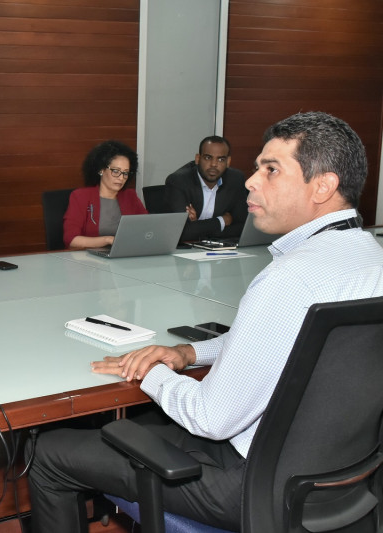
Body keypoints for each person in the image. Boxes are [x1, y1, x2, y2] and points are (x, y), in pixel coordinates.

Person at [27, 112, 383, 532]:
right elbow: (286, 341)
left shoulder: (289, 279)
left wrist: (151, 372)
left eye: (270, 170)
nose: (250, 181)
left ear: (323, 186)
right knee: (146, 426)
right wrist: (190, 352)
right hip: (340, 476)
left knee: (48, 455)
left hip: (250, 484)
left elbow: (210, 418)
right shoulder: (369, 258)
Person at [62, 140, 148, 249]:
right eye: (116, 171)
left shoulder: (130, 196)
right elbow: (71, 240)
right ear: (101, 170)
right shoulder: (80, 197)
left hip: (124, 256)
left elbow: (147, 229)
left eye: (125, 173)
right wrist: (108, 240)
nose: (121, 178)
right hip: (90, 260)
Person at [164, 135, 248, 243]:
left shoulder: (236, 179)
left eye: (221, 159)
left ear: (228, 161)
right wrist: (222, 221)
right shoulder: (178, 181)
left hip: (219, 248)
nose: (213, 164)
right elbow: (180, 232)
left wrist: (199, 228)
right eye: (208, 158)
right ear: (198, 159)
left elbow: (243, 226)